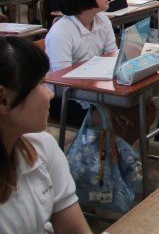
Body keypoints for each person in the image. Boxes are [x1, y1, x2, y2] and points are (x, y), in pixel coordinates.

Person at [45, 0, 156, 142]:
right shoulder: (61, 32)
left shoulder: (102, 20)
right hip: (67, 100)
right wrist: (103, 103)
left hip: (98, 90)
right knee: (118, 120)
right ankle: (106, 156)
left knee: (147, 109)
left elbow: (113, 56)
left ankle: (120, 153)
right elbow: (62, 82)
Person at [0, 36, 91, 233]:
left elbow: (74, 229)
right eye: (41, 84)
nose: (50, 94)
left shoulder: (42, 146)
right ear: (3, 100)